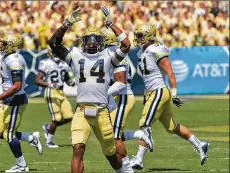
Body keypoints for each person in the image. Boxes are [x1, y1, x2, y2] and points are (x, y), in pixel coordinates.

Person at [49, 6, 137, 173]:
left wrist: (110, 23)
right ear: (83, 42)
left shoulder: (108, 57)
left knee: (111, 155)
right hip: (82, 110)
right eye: (88, 40)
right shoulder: (75, 56)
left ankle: (124, 170)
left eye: (95, 39)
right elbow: (53, 43)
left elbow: (126, 44)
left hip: (102, 111)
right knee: (77, 148)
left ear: (101, 42)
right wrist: (66, 23)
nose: (92, 43)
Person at [123, 23, 209, 170]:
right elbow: (147, 78)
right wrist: (146, 95)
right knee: (171, 127)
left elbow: (170, 72)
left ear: (149, 36)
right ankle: (200, 144)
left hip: (159, 91)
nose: (137, 38)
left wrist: (174, 93)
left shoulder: (156, 50)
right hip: (151, 92)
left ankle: (138, 159)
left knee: (144, 124)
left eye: (141, 35)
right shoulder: (141, 52)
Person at [0, 34, 43, 172]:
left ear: (13, 45)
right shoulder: (8, 57)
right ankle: (31, 138)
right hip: (9, 99)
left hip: (16, 99)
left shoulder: (13, 59)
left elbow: (17, 86)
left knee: (9, 134)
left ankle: (22, 165)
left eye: (6, 43)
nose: (2, 46)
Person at [100, 27, 153, 173]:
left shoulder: (114, 53)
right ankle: (139, 134)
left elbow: (121, 82)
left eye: (100, 38)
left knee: (114, 136)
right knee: (108, 133)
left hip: (123, 96)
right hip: (119, 97)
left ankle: (127, 169)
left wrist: (103, 93)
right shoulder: (110, 52)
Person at [35, 48, 75, 148]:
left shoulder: (64, 64)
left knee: (69, 116)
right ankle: (49, 142)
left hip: (61, 92)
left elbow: (66, 79)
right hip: (51, 92)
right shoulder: (46, 63)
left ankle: (48, 127)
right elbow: (38, 80)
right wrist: (49, 84)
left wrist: (71, 82)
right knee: (57, 118)